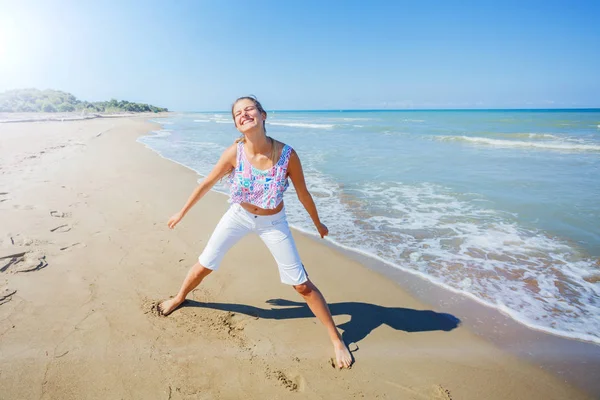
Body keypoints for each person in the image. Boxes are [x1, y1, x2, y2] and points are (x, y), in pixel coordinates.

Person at [158, 96, 353, 369]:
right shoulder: (233, 153)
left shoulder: (288, 155)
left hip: (274, 222)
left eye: (249, 109)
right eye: (238, 113)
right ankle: (180, 297)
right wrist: (181, 212)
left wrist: (317, 223)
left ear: (263, 115)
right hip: (238, 216)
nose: (244, 114)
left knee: (302, 285)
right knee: (205, 265)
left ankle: (336, 339)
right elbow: (207, 183)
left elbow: (303, 193)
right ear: (237, 124)